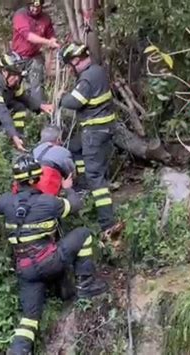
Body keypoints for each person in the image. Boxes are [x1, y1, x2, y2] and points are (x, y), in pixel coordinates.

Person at [0, 155, 106, 355]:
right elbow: (76, 205)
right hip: (51, 261)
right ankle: (85, 285)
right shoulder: (48, 202)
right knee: (84, 234)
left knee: (29, 318)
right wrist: (68, 187)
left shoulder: (4, 202)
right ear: (36, 179)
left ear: (16, 180)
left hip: (26, 271)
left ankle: (18, 351)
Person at [58, 43, 124, 240]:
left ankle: (108, 224)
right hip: (102, 129)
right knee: (73, 148)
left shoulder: (86, 78)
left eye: (71, 65)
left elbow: (74, 102)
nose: (71, 70)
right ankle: (82, 185)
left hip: (94, 132)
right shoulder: (97, 71)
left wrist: (62, 98)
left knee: (97, 178)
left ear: (76, 60)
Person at [11, 0, 60, 103]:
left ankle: (39, 110)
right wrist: (48, 42)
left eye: (38, 7)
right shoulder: (20, 16)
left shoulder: (45, 18)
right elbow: (29, 36)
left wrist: (53, 40)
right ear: (28, 5)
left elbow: (50, 34)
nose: (35, 9)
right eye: (32, 6)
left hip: (34, 57)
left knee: (37, 85)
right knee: (13, 84)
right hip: (17, 57)